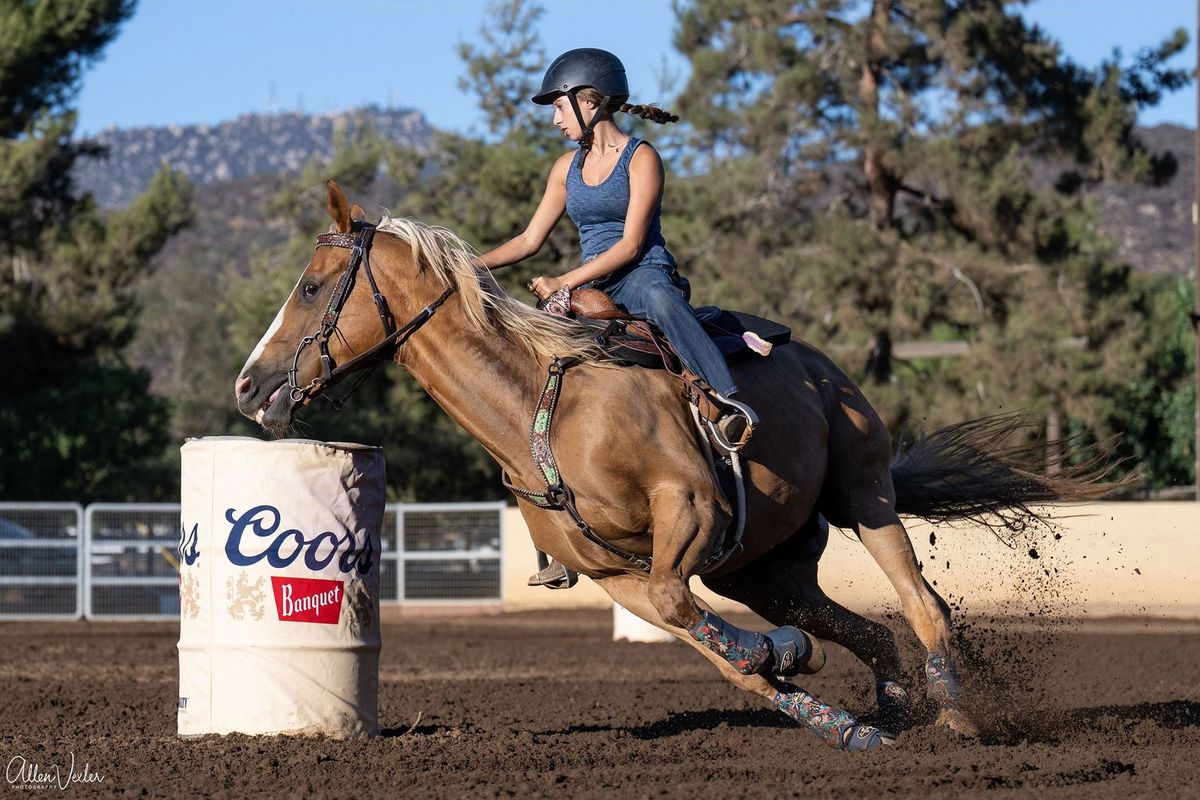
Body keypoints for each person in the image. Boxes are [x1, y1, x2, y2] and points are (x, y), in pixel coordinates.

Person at [475, 48, 757, 451]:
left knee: (660, 299)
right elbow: (528, 240)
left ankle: (726, 401)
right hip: (595, 282)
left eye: (559, 107)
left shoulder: (641, 158)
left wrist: (563, 281)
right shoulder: (564, 169)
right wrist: (466, 264)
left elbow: (631, 245)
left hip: (641, 274)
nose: (555, 120)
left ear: (590, 101)